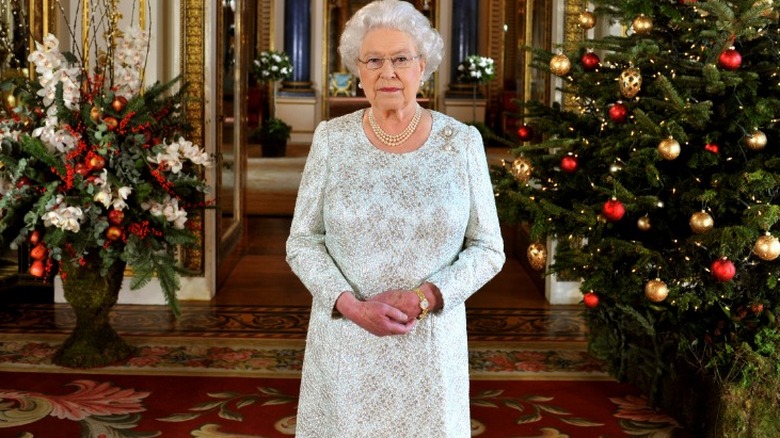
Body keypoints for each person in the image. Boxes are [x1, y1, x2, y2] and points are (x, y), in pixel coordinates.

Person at [286, 0, 505, 436]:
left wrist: (427, 296)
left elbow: (488, 249)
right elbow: (302, 241)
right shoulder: (331, 140)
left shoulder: (461, 143)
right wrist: (349, 304)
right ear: (358, 70)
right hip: (347, 341)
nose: (388, 72)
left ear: (422, 67)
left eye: (401, 59)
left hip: (429, 346)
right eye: (374, 60)